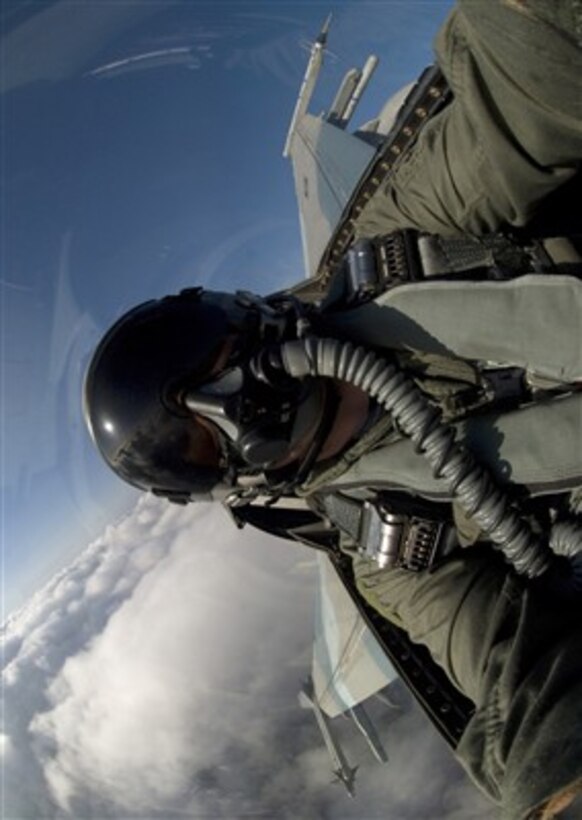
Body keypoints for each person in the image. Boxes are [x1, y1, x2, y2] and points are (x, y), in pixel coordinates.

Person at [83, 2, 582, 818]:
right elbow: (518, 680)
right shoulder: (388, 546)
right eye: (197, 438)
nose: (232, 401)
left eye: (212, 358)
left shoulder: (399, 242)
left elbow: (526, 87)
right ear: (224, 484)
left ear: (242, 316)